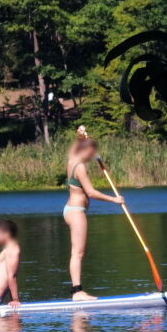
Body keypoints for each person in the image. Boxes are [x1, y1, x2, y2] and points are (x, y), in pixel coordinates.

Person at [64, 125, 123, 302]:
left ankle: (77, 291)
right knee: (78, 253)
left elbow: (73, 150)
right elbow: (90, 192)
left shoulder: (72, 160)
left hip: (70, 210)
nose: (93, 156)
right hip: (76, 212)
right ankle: (77, 292)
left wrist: (79, 136)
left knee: (77, 252)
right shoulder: (80, 167)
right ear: (87, 151)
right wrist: (114, 200)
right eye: (92, 152)